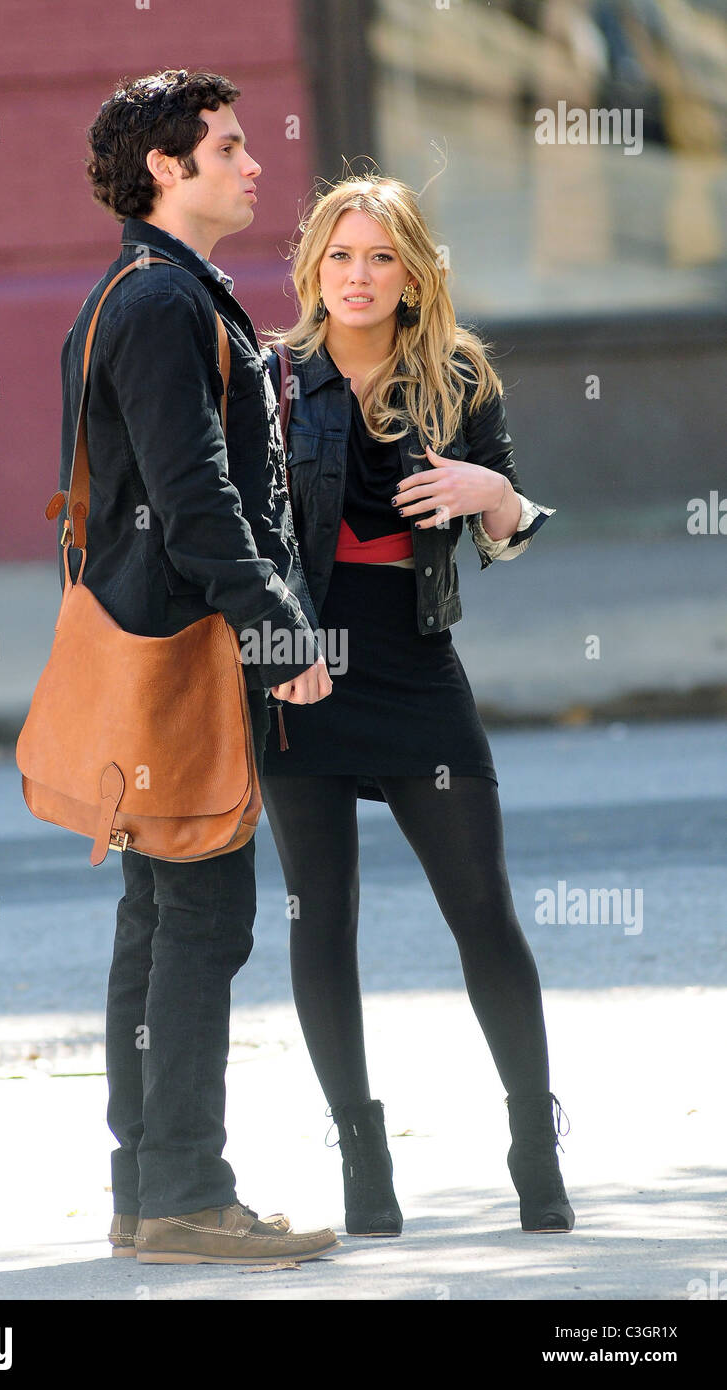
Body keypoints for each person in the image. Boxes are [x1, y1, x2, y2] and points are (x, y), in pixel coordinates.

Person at [258, 175, 575, 1236]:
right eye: (338, 255)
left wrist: (496, 497)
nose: (356, 275)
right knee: (321, 917)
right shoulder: (268, 379)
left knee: (480, 905)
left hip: (413, 663)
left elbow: (504, 523)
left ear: (411, 272)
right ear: (312, 267)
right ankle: (360, 1155)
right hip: (297, 670)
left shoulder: (454, 376)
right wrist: (271, 652)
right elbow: (239, 541)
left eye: (379, 257)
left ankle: (533, 1138)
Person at [59, 68, 337, 1264]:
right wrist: (279, 633)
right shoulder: (162, 302)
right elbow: (195, 503)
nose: (253, 164)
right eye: (227, 148)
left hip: (142, 645)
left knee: (157, 919)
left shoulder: (140, 289)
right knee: (201, 921)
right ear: (166, 169)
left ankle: (147, 1190)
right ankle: (181, 1191)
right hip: (183, 652)